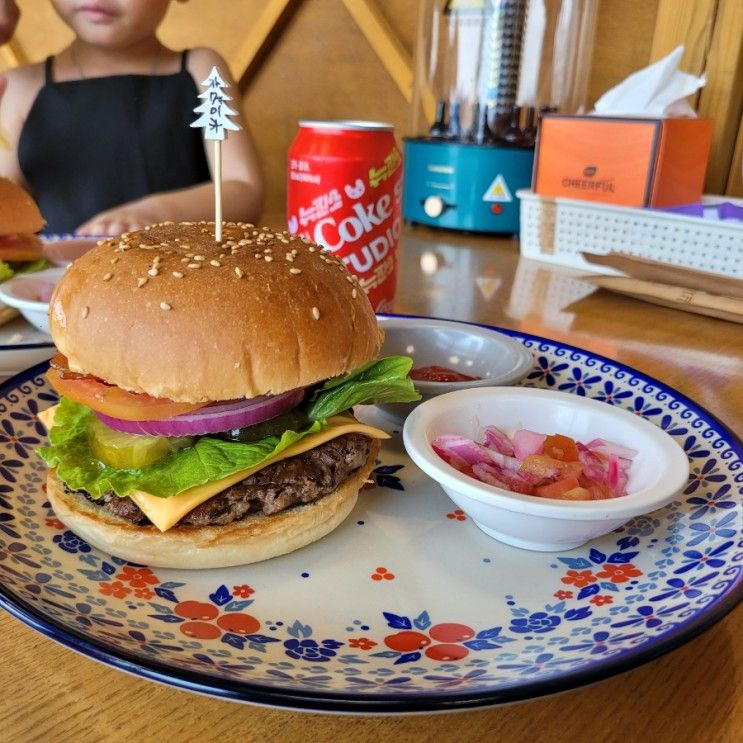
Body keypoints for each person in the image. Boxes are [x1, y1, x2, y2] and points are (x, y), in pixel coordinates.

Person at [0, 0, 264, 235]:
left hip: (180, 283)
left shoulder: (205, 72)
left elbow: (244, 189)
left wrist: (157, 214)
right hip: (55, 287)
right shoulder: (19, 87)